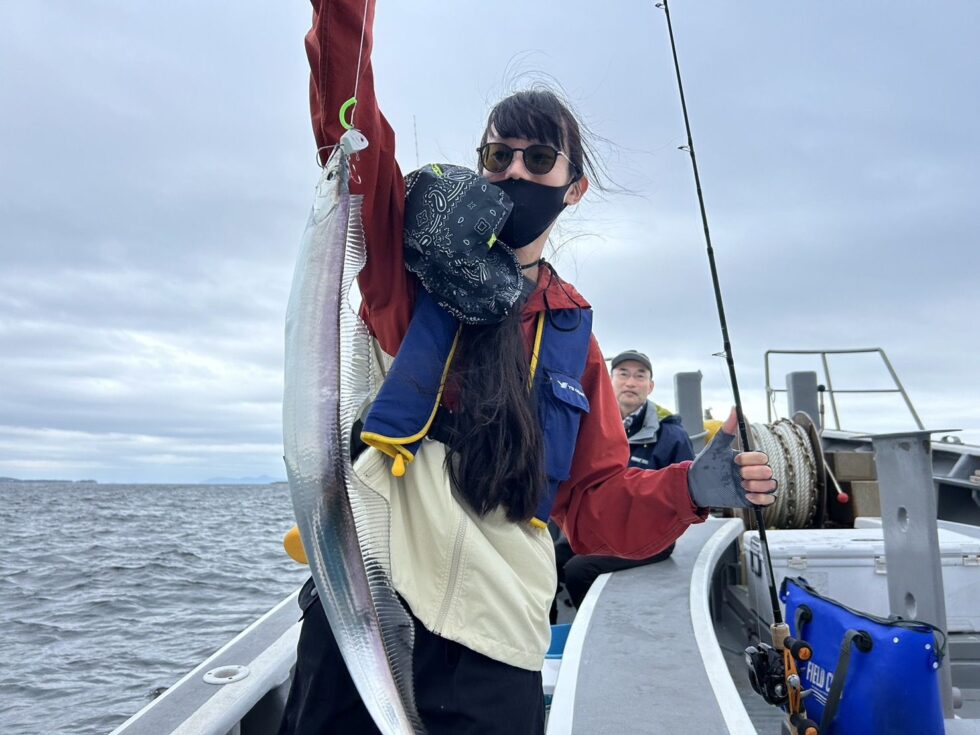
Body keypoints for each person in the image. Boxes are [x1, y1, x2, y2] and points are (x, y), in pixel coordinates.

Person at [277, 2, 777, 733]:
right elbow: (350, 132)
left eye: (538, 159)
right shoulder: (405, 269)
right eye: (498, 154)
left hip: (497, 634)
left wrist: (690, 487)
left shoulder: (577, 339)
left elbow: (594, 505)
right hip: (371, 598)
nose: (514, 170)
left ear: (572, 187)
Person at [553, 349, 695, 611]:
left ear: (650, 386)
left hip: (649, 535)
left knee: (578, 571)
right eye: (624, 374)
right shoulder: (587, 426)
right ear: (609, 380)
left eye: (640, 376)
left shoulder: (672, 435)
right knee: (547, 562)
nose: (631, 382)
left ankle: (601, 631)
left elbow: (689, 492)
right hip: (597, 526)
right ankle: (545, 638)